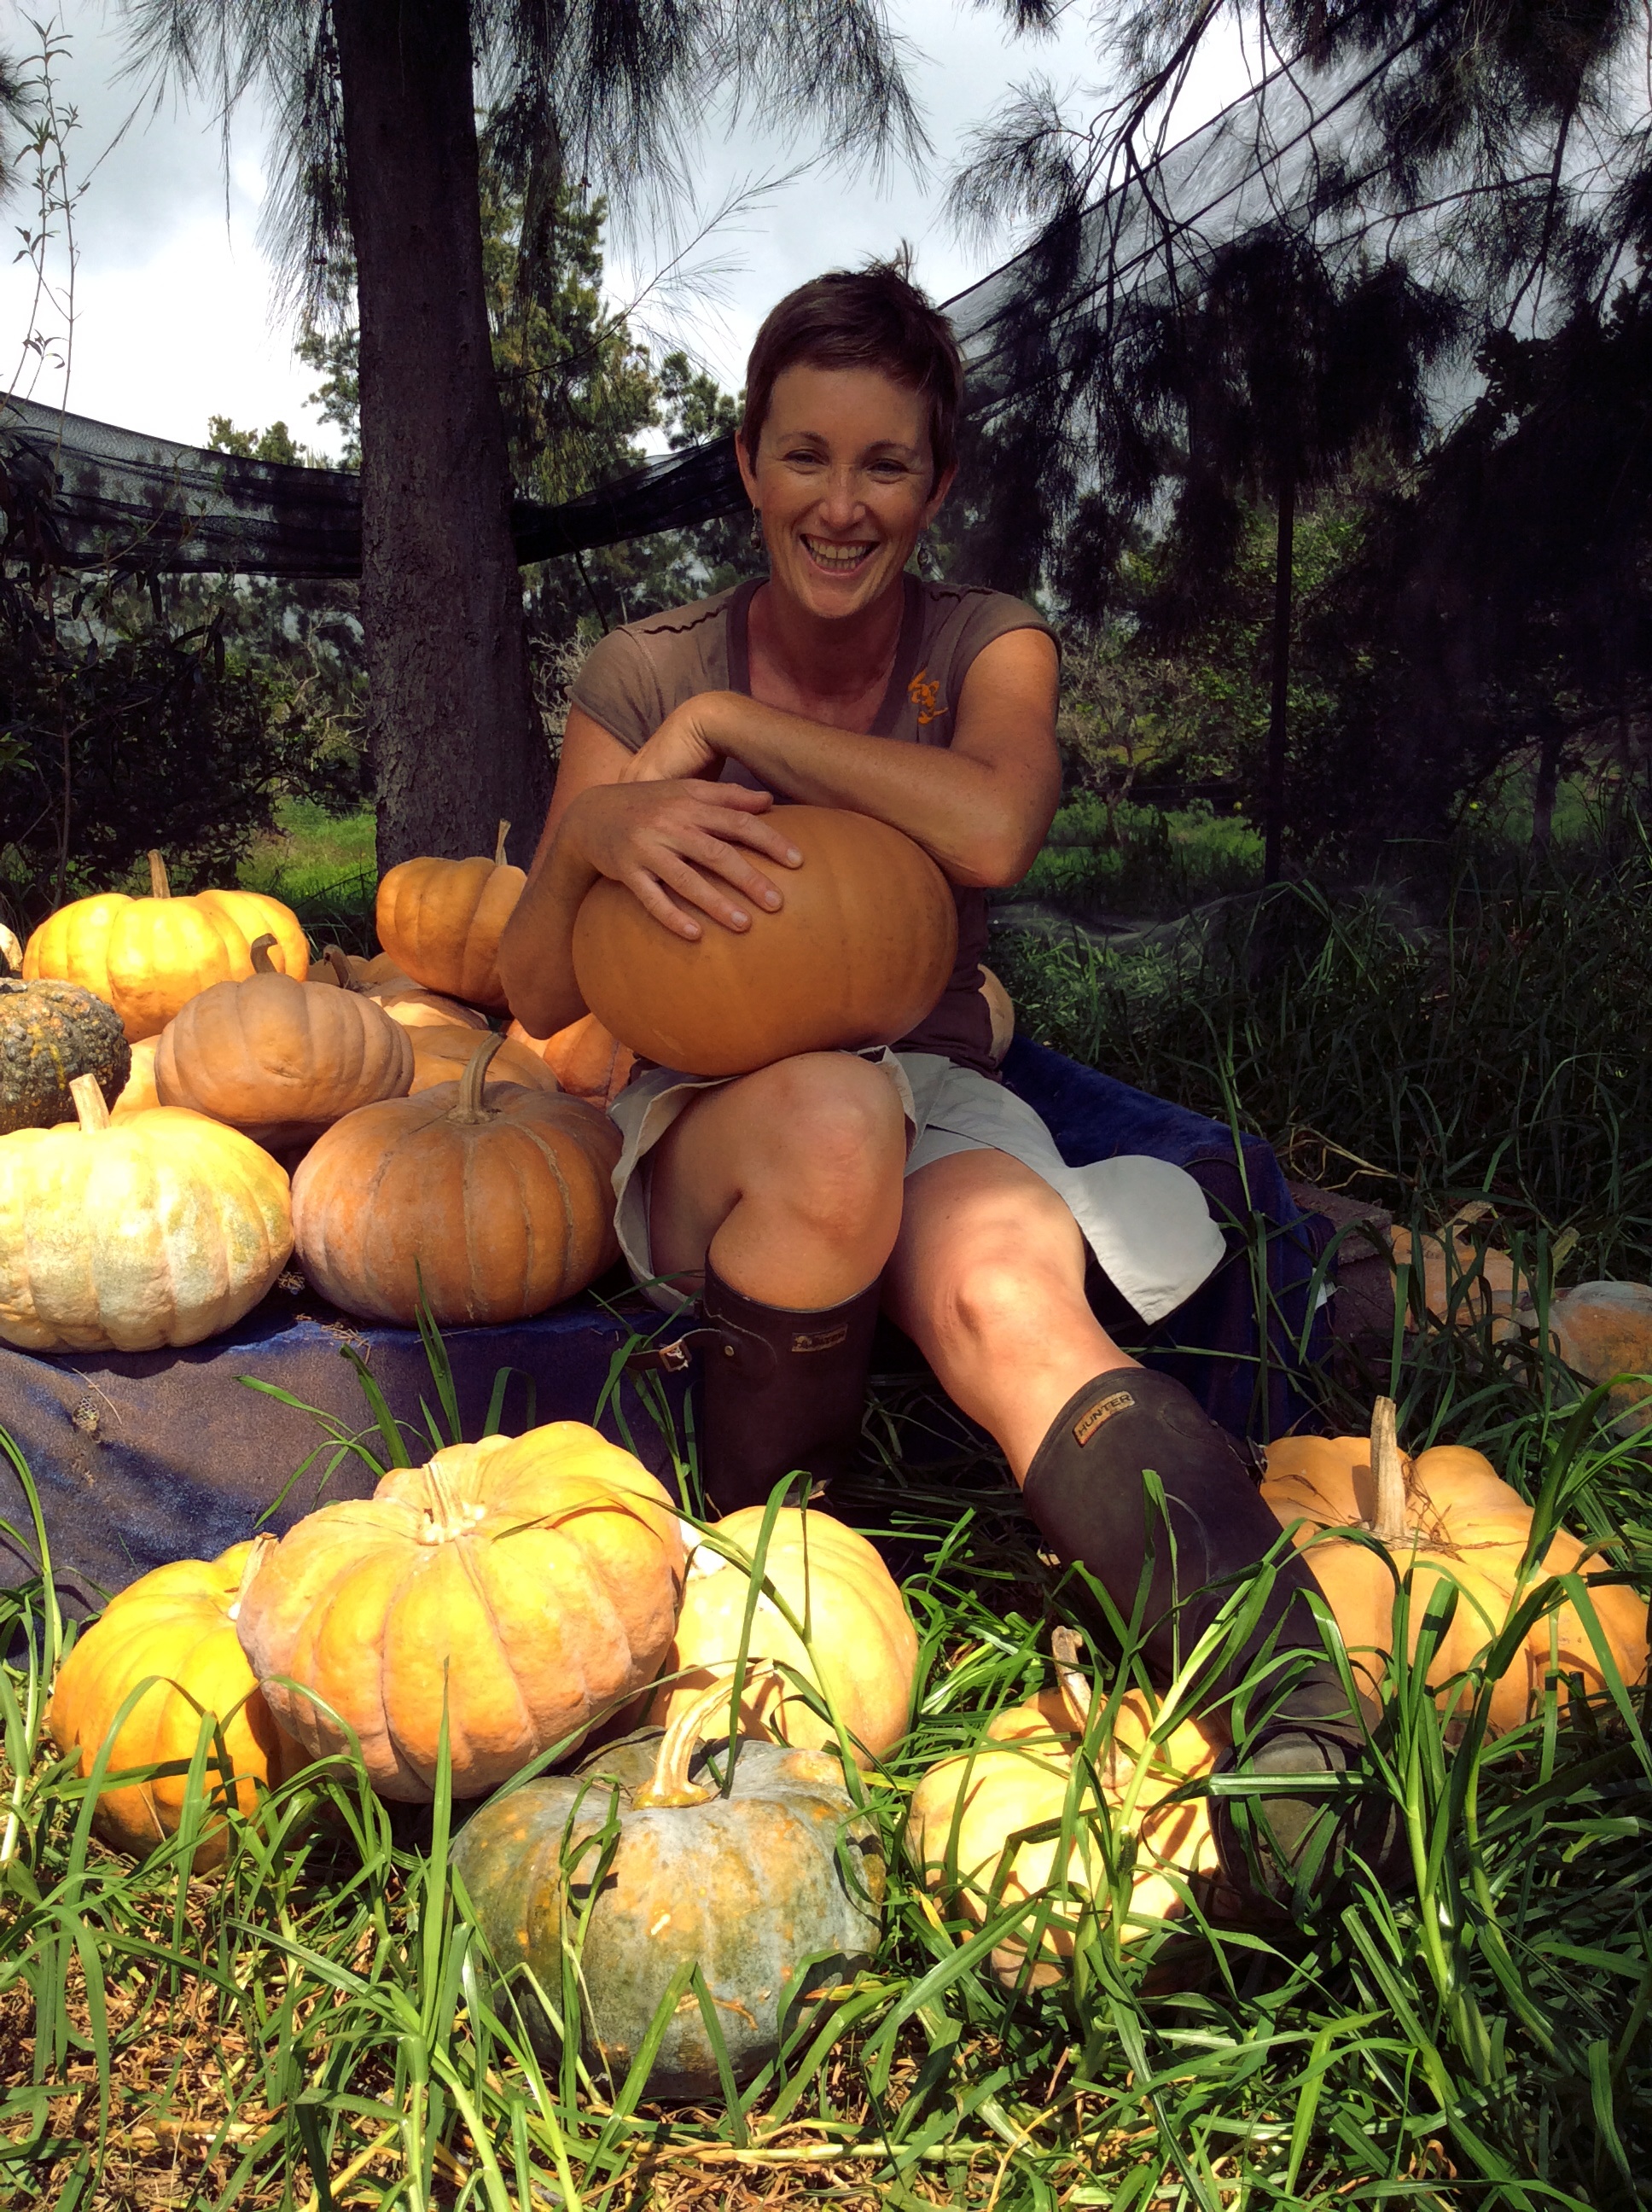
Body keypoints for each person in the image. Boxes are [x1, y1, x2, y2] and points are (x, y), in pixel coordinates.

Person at [498, 264, 1393, 1912]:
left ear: (937, 481)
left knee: (1009, 1285)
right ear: (749, 462)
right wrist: (599, 830)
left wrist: (732, 728)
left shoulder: (987, 641)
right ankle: (782, 1557)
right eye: (805, 455)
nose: (841, 504)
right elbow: (544, 993)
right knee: (832, 1125)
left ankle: (1297, 1712)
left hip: (924, 1080)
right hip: (710, 1115)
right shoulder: (641, 668)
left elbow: (990, 827)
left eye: (884, 464)